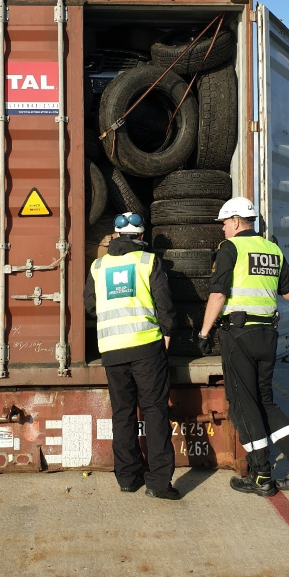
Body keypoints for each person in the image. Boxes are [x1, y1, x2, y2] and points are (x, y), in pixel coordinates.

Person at [198, 197, 289, 497]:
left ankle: (261, 475)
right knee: (265, 402)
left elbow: (218, 294)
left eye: (225, 223)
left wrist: (203, 332)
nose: (223, 229)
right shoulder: (273, 249)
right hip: (267, 334)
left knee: (243, 405)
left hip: (239, 335)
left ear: (237, 221)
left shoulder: (231, 248)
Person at [83, 212, 179, 500]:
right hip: (147, 347)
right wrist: (168, 332)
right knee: (154, 411)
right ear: (141, 236)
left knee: (122, 413)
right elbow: (164, 302)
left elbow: (89, 307)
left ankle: (127, 477)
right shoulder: (147, 261)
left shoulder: (98, 266)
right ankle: (159, 483)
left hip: (112, 350)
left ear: (115, 235)